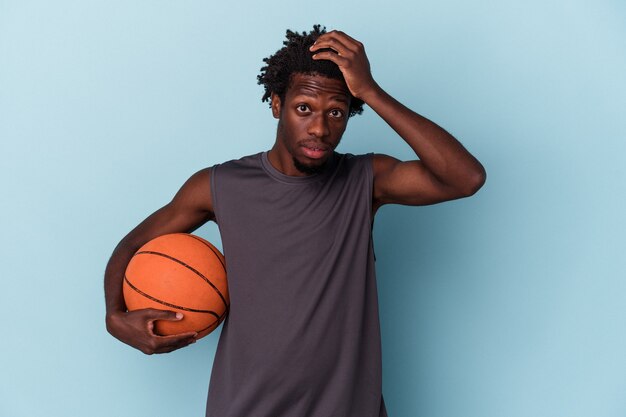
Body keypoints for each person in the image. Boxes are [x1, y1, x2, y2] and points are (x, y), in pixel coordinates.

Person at [105, 25, 486, 417]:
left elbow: (466, 178)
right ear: (276, 104)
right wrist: (114, 317)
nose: (320, 128)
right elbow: (132, 246)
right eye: (304, 108)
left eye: (335, 112)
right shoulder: (219, 186)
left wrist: (371, 91)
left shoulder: (366, 181)